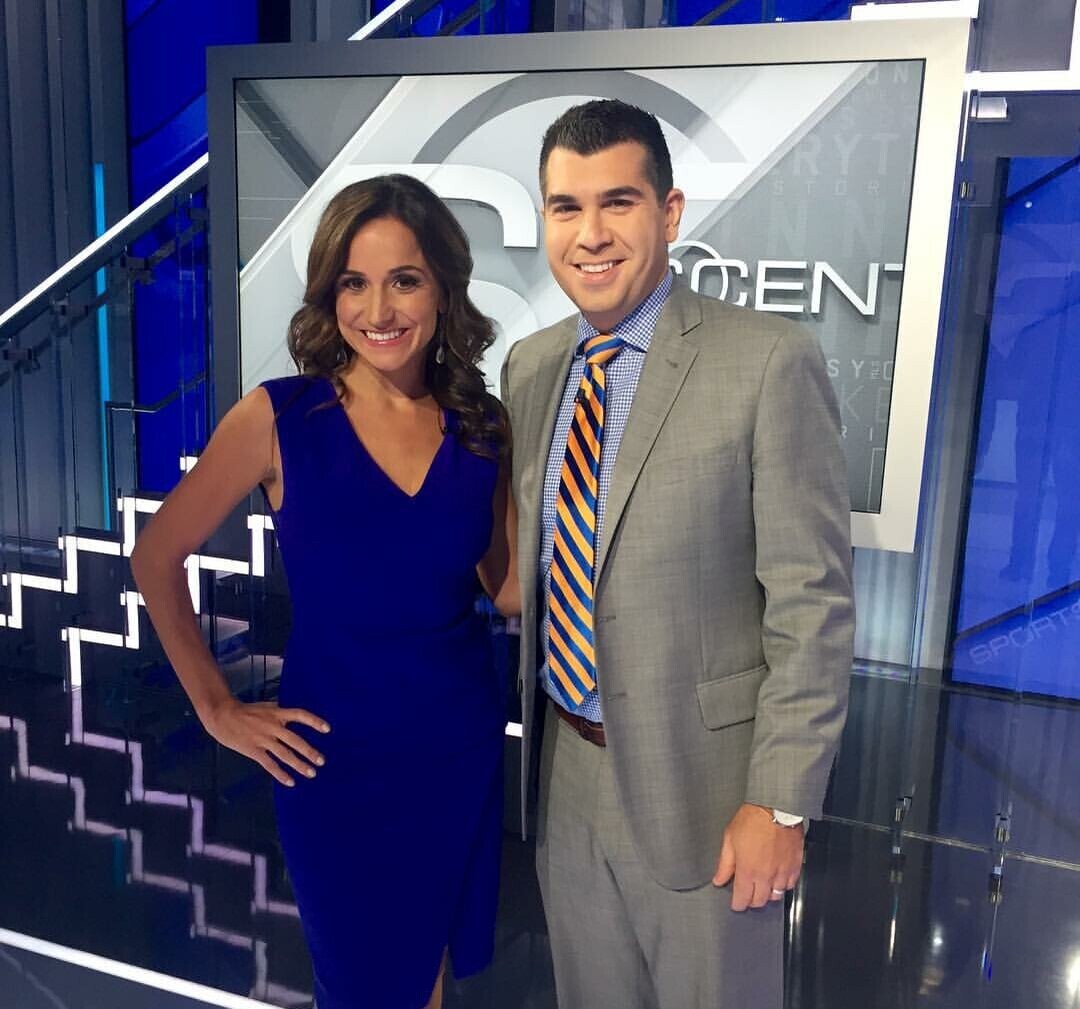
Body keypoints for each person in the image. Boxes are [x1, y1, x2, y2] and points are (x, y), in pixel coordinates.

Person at [132, 175, 518, 1009]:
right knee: (362, 984)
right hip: (335, 762)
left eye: (404, 279)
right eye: (354, 282)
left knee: (426, 978)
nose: (378, 308)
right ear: (329, 295)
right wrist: (216, 708)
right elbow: (156, 555)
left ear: (443, 288)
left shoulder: (481, 426)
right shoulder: (280, 417)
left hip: (455, 750)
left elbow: (511, 587)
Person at [500, 100, 854, 1008]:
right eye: (566, 207)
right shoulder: (531, 368)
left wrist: (779, 802)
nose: (590, 234)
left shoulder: (768, 360)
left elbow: (812, 605)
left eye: (617, 202)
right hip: (566, 772)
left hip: (709, 792)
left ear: (669, 211)